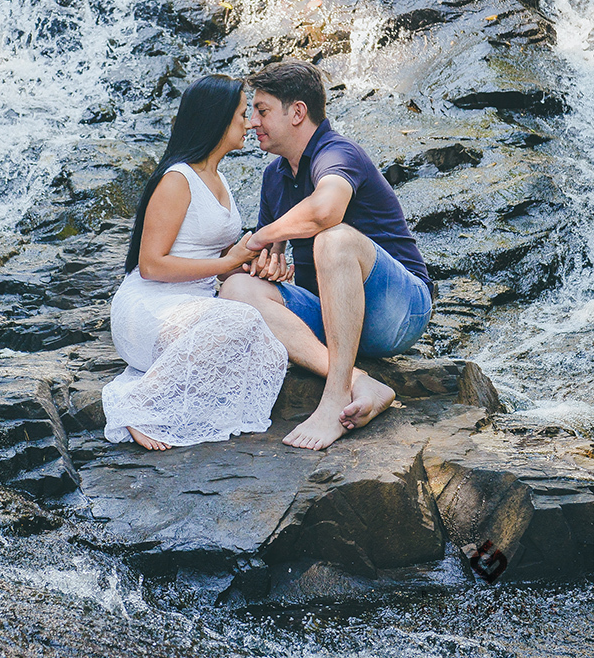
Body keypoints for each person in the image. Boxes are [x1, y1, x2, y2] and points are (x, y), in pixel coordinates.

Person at [220, 60, 433, 451]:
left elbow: (325, 211)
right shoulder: (275, 176)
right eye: (252, 112)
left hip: (399, 310)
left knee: (333, 239)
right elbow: (265, 255)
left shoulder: (338, 153)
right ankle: (359, 381)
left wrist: (263, 236)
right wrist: (267, 261)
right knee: (237, 290)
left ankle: (335, 398)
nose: (252, 122)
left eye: (262, 111)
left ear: (297, 112)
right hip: (336, 317)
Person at [103, 75, 289, 450]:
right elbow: (152, 265)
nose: (251, 123)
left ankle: (157, 398)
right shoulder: (177, 180)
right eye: (242, 114)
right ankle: (137, 406)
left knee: (271, 349)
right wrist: (227, 265)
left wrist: (253, 265)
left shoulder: (217, 177)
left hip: (193, 307)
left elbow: (215, 254)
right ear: (217, 120)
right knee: (244, 319)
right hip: (149, 310)